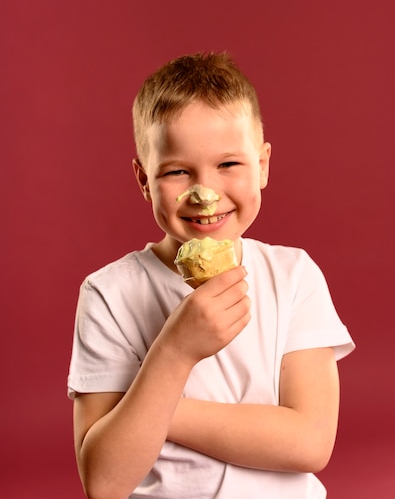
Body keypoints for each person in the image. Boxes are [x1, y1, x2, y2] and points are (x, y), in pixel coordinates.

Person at [68, 52, 355, 499]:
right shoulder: (109, 294)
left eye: (228, 165)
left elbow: (311, 442)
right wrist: (176, 350)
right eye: (178, 171)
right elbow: (104, 482)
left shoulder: (294, 276)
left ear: (261, 165)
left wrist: (157, 412)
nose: (205, 194)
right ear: (144, 180)